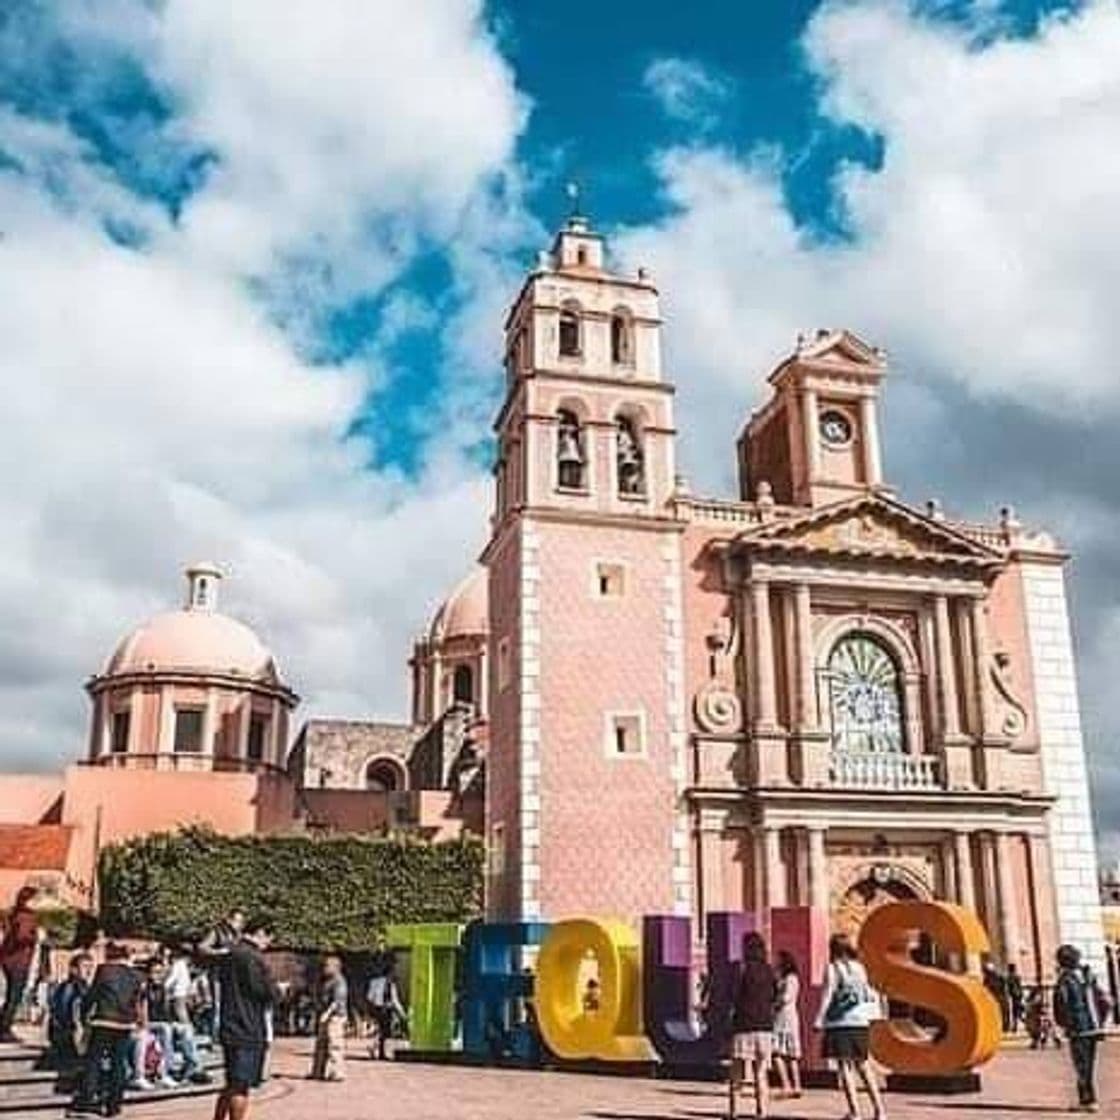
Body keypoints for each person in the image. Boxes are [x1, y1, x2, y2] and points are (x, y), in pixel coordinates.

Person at [210, 918, 279, 1120]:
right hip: (247, 1026)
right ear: (259, 933)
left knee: (232, 1083)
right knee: (241, 1085)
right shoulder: (253, 958)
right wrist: (277, 991)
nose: (268, 944)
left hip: (229, 1023)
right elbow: (264, 991)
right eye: (268, 938)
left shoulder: (230, 954)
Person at [69, 942, 145, 1118]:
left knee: (93, 1061)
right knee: (118, 1064)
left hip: (104, 1020)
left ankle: (88, 1102)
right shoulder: (136, 975)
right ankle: (114, 1105)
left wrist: (84, 1014)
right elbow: (138, 1001)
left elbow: (93, 995)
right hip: (126, 1023)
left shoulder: (105, 970)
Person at [816, 934, 886, 1120]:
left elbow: (827, 995)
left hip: (839, 1022)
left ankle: (855, 1111)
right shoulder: (860, 968)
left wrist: (819, 1019)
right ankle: (880, 1110)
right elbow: (865, 992)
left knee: (844, 1067)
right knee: (864, 1066)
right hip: (859, 1021)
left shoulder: (833, 968)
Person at [1053, 944, 1109, 1112]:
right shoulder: (1088, 976)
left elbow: (1061, 1004)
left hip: (1078, 1027)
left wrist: (1064, 1025)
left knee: (1081, 1066)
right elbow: (1103, 999)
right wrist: (1101, 1020)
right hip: (1093, 1025)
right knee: (1089, 1065)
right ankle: (1089, 1099)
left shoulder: (1065, 980)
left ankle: (1087, 1100)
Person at [729, 932, 777, 1120]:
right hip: (764, 1026)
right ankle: (761, 1111)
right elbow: (774, 995)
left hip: (743, 1025)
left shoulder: (741, 968)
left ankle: (734, 1111)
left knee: (737, 1072)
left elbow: (733, 995)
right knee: (761, 1073)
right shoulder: (769, 970)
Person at [131, 959, 178, 1090]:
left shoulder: (162, 989)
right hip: (141, 1024)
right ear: (148, 973)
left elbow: (165, 1011)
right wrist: (144, 1026)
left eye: (161, 972)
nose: (158, 975)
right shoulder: (143, 988)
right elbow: (141, 1011)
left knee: (173, 1031)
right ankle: (140, 1076)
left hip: (156, 1024)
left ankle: (164, 1073)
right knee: (153, 1035)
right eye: (155, 972)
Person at [0, 885, 40, 1042]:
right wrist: (37, 937)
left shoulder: (14, 914)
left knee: (12, 995)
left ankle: (3, 1025)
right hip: (18, 962)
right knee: (15, 996)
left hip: (9, 960)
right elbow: (21, 937)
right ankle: (4, 1029)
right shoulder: (26, 917)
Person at [165, 945, 208, 1082]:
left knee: (184, 1027)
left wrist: (165, 988)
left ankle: (191, 1062)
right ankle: (192, 1062)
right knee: (185, 1027)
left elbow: (169, 982)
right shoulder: (183, 967)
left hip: (177, 998)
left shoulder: (178, 965)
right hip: (181, 998)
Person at [49, 953, 94, 1069]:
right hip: (67, 1034)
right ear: (73, 970)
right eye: (85, 967)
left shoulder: (85, 987)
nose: (88, 971)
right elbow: (64, 1014)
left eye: (90, 967)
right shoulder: (68, 988)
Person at [310, 955, 348, 1082]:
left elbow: (337, 1001)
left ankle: (337, 1072)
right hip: (323, 1014)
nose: (325, 968)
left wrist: (327, 1014)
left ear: (336, 967)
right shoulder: (323, 980)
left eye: (327, 966)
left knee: (335, 1044)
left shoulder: (339, 981)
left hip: (336, 1016)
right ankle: (317, 1071)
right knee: (320, 1044)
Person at [771, 950, 802, 1100]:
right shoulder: (790, 978)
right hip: (789, 1016)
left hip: (783, 1016)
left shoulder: (789, 979)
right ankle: (796, 1085)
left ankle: (786, 1085)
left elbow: (786, 998)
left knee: (777, 1052)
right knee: (791, 1054)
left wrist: (773, 1004)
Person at [367, 959, 406, 1059]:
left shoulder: (383, 983)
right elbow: (394, 1000)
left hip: (382, 1009)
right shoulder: (384, 983)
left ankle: (379, 1051)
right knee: (382, 1032)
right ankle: (376, 1050)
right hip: (381, 1009)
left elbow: (394, 1000)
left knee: (383, 1032)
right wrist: (402, 1014)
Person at [983, 959, 1010, 1033]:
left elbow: (1003, 988)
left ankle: (1005, 1026)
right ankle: (1003, 1026)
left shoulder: (996, 978)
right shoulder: (988, 979)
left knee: (1002, 1012)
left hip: (999, 997)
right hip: (996, 998)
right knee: (999, 1013)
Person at [1006, 962, 1025, 1033]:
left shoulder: (1009, 978)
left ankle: (1015, 1026)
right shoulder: (1017, 977)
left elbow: (1008, 988)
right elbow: (1019, 986)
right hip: (1018, 995)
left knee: (1015, 1011)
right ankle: (1017, 1025)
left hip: (1013, 996)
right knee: (1018, 1011)